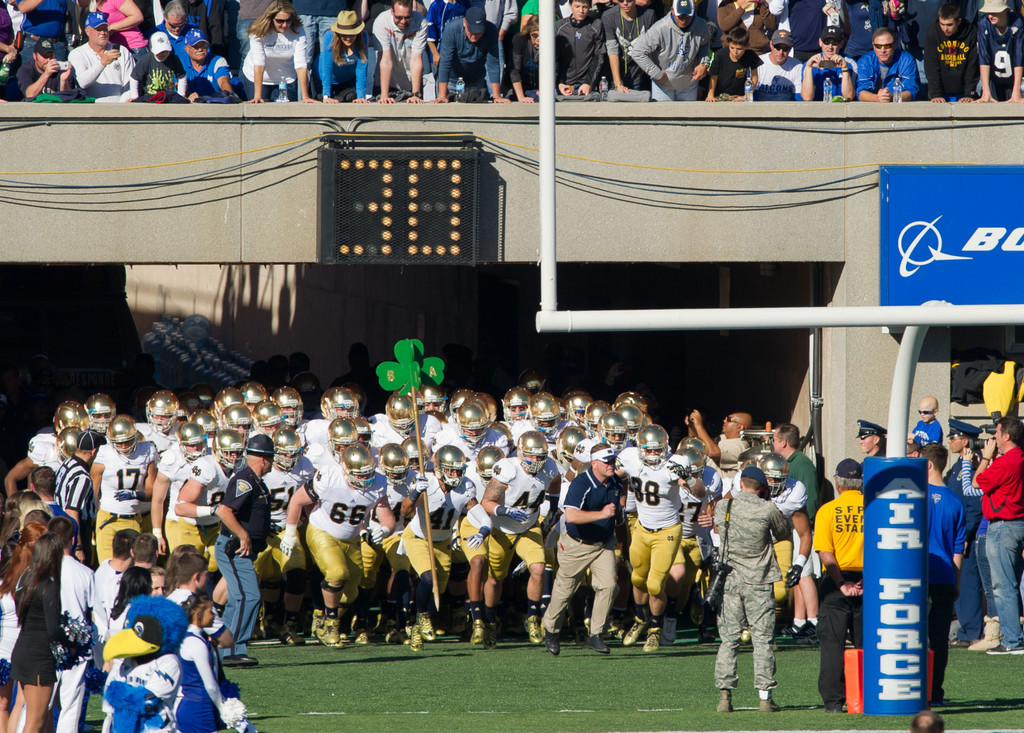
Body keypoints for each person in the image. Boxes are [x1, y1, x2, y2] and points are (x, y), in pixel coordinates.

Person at [714, 466, 789, 713]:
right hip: (759, 580)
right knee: (762, 639)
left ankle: (725, 697)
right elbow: (783, 532)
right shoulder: (767, 509)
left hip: (730, 581)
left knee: (729, 639)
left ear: (741, 484)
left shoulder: (723, 507)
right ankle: (765, 697)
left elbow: (718, 528)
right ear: (762, 488)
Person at [480, 432, 560, 647]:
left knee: (538, 568)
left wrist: (553, 507)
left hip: (528, 527)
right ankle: (489, 622)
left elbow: (555, 481)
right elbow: (486, 502)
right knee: (495, 579)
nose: (536, 461)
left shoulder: (549, 466)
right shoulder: (508, 468)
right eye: (531, 456)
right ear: (521, 452)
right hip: (501, 530)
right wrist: (505, 510)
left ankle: (532, 617)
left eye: (540, 456)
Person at [541, 443, 622, 655]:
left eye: (613, 460)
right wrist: (602, 514)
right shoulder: (581, 483)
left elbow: (617, 508)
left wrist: (618, 522)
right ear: (594, 463)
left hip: (603, 544)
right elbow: (571, 516)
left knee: (609, 586)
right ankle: (551, 629)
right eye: (607, 462)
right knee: (565, 590)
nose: (611, 465)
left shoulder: (615, 481)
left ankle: (595, 634)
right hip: (576, 544)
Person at [214, 434, 275, 666]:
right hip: (235, 548)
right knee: (247, 596)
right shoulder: (245, 480)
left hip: (242, 550)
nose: (272, 462)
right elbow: (224, 510)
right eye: (271, 458)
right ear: (263, 459)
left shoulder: (254, 481)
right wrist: (244, 535)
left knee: (240, 598)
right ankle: (233, 649)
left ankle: (224, 650)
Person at [814, 458, 864, 713]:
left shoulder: (827, 510)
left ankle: (834, 701)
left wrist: (841, 583)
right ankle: (864, 696)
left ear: (838, 483)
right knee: (865, 644)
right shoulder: (873, 508)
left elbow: (825, 553)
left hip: (836, 581)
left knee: (832, 644)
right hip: (867, 580)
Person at [972, 416, 1024, 654]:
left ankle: (1012, 640)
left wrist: (985, 458)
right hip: (1015, 524)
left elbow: (976, 482)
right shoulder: (1018, 458)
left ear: (1006, 436)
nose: (993, 437)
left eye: (996, 433)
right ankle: (1014, 636)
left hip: (1003, 526)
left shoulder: (1007, 461)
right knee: (1012, 584)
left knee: (1003, 586)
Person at [920, 443, 965, 705]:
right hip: (946, 578)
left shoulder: (916, 498)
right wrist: (956, 581)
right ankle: (935, 693)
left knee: (916, 636)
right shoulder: (955, 502)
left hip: (919, 577)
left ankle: (916, 690)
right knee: (938, 639)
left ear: (927, 465)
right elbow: (959, 548)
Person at [11, 532, 64, 733]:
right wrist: (72, 641)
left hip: (22, 650)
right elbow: (53, 630)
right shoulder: (49, 587)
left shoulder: (24, 580)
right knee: (36, 720)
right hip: (39, 657)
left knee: (28, 713)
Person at [91, 414, 157, 562]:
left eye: (127, 441)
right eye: (118, 443)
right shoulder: (103, 453)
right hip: (107, 518)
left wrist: (136, 494)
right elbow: (93, 492)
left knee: (130, 566)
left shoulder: (147, 450)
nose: (123, 446)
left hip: (132, 518)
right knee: (107, 565)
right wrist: (92, 520)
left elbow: (153, 491)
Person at [0, 523, 47, 733]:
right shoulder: (15, 581)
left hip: (23, 647)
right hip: (9, 648)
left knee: (20, 702)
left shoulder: (31, 579)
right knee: (6, 703)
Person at [50, 516, 93, 733]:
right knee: (70, 705)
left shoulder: (40, 570)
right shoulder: (85, 573)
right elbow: (93, 612)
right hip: (76, 645)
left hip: (47, 641)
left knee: (37, 707)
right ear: (73, 540)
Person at [946, 419, 985, 646]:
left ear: (965, 441)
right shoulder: (958, 466)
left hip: (968, 533)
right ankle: (965, 628)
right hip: (957, 532)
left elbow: (973, 506)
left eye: (953, 437)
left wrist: (967, 535)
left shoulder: (972, 466)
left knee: (969, 583)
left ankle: (970, 631)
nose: (950, 441)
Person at [628, 0, 711, 101]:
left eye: (687, 16)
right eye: (680, 16)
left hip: (689, 84)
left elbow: (704, 44)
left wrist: (703, 63)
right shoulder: (660, 28)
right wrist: (656, 73)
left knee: (688, 111)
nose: (684, 20)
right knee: (662, 112)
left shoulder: (701, 25)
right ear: (672, 10)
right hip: (663, 86)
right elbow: (637, 52)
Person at [242, 0, 316, 103]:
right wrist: (257, 96)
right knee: (260, 108)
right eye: (280, 21)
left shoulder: (298, 30)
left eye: (288, 20)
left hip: (286, 78)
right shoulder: (258, 31)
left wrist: (305, 96)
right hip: (258, 77)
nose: (285, 25)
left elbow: (301, 65)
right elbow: (259, 63)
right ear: (271, 18)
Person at [434, 6, 507, 102]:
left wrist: (496, 96)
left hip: (476, 82)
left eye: (478, 33)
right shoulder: (451, 30)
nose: (474, 37)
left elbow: (493, 63)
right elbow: (445, 63)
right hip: (451, 81)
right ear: (465, 23)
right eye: (471, 32)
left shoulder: (491, 30)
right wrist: (442, 96)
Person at [68, 12, 137, 102]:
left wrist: (122, 105)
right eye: (98, 30)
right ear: (87, 31)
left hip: (119, 105)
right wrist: (102, 64)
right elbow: (82, 83)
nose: (103, 33)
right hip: (91, 106)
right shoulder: (77, 54)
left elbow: (130, 82)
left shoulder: (122, 50)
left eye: (105, 29)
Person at [373, 0, 428, 102]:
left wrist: (415, 94)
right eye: (399, 17)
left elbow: (416, 60)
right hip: (386, 82)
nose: (403, 21)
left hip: (411, 82)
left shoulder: (420, 22)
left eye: (407, 17)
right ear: (392, 11)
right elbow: (386, 60)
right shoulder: (382, 21)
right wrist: (384, 95)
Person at [924, 3, 979, 102]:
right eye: (942, 24)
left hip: (963, 92)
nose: (945, 29)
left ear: (959, 21)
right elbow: (931, 66)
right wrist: (935, 94)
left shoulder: (971, 32)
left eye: (949, 25)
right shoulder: (933, 32)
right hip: (941, 92)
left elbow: (972, 66)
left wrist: (969, 93)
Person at [318, 10, 377, 102]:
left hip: (347, 79)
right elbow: (327, 66)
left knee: (350, 97)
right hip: (323, 79)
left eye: (352, 34)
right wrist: (326, 96)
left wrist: (361, 96)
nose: (348, 38)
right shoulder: (329, 35)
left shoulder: (363, 36)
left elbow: (362, 67)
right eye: (344, 34)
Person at [602, 0, 655, 94]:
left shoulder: (649, 15)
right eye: (621, 0)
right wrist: (618, 84)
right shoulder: (608, 16)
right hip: (615, 78)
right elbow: (612, 50)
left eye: (629, 0)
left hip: (641, 76)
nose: (625, 3)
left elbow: (653, 48)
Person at [554, 0, 605, 98]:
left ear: (590, 7)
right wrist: (559, 82)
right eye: (577, 6)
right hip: (564, 85)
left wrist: (588, 83)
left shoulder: (596, 25)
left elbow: (598, 56)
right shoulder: (559, 27)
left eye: (585, 7)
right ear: (570, 5)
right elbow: (555, 59)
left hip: (587, 85)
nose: (581, 11)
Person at [976, 0, 1023, 102]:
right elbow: (984, 56)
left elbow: (1018, 56)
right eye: (988, 12)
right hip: (993, 79)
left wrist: (1017, 90)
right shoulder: (984, 23)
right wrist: (985, 90)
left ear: (1005, 10)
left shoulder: (1017, 22)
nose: (990, 16)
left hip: (1013, 78)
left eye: (994, 12)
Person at [857, 26, 921, 101]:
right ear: (873, 46)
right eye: (878, 46)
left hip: (899, 105)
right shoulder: (865, 61)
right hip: (873, 104)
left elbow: (911, 91)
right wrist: (879, 98)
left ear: (895, 45)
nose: (883, 50)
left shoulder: (906, 60)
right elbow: (861, 92)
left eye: (887, 46)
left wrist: (892, 97)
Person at [800, 26, 856, 101]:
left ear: (841, 44)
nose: (830, 47)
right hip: (817, 107)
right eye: (826, 42)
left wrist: (845, 69)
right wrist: (808, 68)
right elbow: (807, 98)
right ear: (820, 42)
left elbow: (848, 97)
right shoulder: (811, 63)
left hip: (840, 106)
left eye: (834, 43)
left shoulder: (850, 63)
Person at [706, 25, 761, 101]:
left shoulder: (750, 55)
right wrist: (710, 95)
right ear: (728, 44)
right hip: (720, 94)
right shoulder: (721, 55)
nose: (735, 52)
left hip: (738, 95)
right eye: (732, 48)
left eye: (739, 49)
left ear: (747, 46)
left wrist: (747, 96)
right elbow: (713, 76)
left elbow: (754, 77)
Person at [129, 31, 188, 99]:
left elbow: (182, 77)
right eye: (160, 51)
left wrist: (181, 95)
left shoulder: (174, 59)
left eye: (166, 51)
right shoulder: (146, 59)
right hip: (148, 96)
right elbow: (134, 78)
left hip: (168, 96)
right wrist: (134, 96)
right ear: (151, 49)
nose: (163, 54)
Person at [756, 29, 803, 100]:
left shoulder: (797, 66)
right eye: (777, 47)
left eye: (785, 49)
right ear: (771, 45)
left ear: (791, 48)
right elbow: (752, 95)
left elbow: (798, 97)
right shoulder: (758, 63)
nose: (781, 52)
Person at [510, 15, 540, 100]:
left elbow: (555, 70)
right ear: (529, 32)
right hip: (519, 87)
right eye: (535, 35)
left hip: (540, 88)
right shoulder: (519, 40)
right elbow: (514, 70)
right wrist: (521, 97)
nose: (539, 39)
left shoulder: (552, 43)